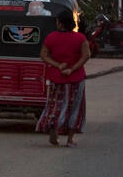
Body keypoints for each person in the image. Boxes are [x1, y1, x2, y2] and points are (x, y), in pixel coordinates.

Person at [38, 10, 89, 146]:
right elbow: (86, 55)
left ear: (60, 23)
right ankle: (70, 139)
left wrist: (58, 65)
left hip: (57, 78)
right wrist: (72, 69)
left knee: (55, 106)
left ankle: (53, 132)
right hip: (76, 78)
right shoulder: (80, 38)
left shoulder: (51, 37)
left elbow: (43, 55)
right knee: (75, 108)